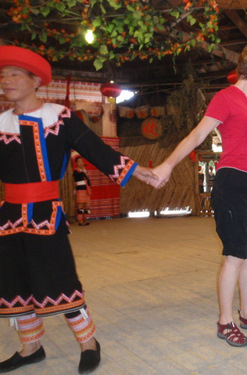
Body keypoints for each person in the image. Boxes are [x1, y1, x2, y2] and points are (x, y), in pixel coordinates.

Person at [0, 46, 156, 374]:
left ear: (36, 80)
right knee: (13, 283)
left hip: (46, 214)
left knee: (61, 278)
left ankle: (88, 343)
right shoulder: (0, 124)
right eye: (3, 75)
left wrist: (135, 170)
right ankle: (31, 348)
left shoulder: (59, 117)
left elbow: (95, 148)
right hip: (8, 216)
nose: (6, 80)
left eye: (15, 74)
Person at [151, 44, 247, 347]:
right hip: (232, 182)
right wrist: (168, 165)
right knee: (235, 255)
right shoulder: (226, 98)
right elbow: (197, 134)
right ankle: (225, 322)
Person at [73, 156, 92, 226]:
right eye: (79, 161)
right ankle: (80, 221)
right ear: (77, 163)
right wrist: (83, 172)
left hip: (86, 189)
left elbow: (88, 180)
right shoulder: (76, 171)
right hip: (80, 189)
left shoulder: (85, 170)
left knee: (88, 205)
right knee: (80, 205)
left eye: (81, 161)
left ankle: (85, 219)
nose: (81, 163)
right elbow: (78, 177)